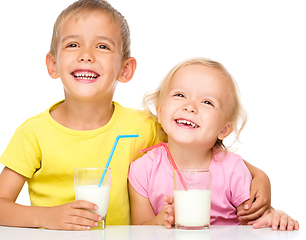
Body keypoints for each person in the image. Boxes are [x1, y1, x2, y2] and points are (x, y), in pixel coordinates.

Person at [0, 0, 271, 231]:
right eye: (73, 45)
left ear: (126, 69)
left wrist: (259, 175)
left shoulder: (142, 125)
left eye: (102, 46)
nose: (86, 55)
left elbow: (200, 144)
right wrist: (46, 218)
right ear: (52, 64)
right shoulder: (34, 134)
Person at [128, 57, 299, 231]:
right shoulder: (142, 170)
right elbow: (139, 230)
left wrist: (276, 217)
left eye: (207, 102)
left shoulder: (232, 169)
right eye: (180, 95)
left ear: (224, 130)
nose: (190, 106)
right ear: (160, 110)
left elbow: (254, 222)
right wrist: (159, 221)